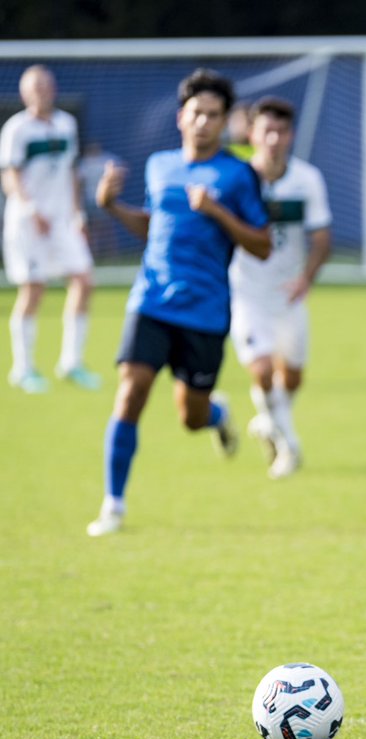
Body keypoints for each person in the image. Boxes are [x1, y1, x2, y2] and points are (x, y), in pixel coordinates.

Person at [86, 69, 271, 537]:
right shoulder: (159, 165)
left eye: (214, 115)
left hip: (205, 312)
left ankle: (218, 415)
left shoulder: (238, 175)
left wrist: (216, 211)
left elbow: (263, 244)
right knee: (130, 392)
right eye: (196, 113)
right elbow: (155, 227)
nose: (204, 122)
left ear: (226, 121)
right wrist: (112, 206)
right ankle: (113, 504)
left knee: (191, 417)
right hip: (150, 301)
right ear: (180, 117)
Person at [229, 96, 332, 479]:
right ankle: (289, 446)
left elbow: (322, 238)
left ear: (290, 135)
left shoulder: (307, 180)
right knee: (261, 371)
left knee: (292, 378)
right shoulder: (237, 178)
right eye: (266, 130)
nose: (273, 138)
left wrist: (306, 278)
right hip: (247, 292)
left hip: (289, 294)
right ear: (252, 133)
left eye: (281, 131)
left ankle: (268, 421)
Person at [0, 64, 101, 393]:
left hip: (63, 221)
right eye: (36, 87)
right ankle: (23, 368)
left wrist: (78, 214)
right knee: (34, 290)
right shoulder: (16, 130)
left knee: (84, 281)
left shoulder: (66, 124)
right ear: (25, 93)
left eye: (47, 85)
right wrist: (31, 209)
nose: (42, 91)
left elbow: (72, 172)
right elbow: (10, 175)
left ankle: (71, 362)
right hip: (28, 222)